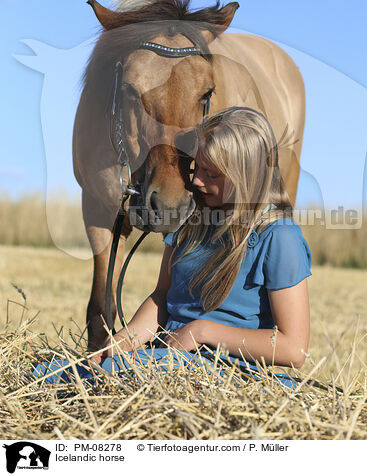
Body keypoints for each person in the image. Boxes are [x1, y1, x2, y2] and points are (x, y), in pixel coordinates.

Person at [34, 106, 311, 386]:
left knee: (76, 380)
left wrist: (202, 331)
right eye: (197, 167)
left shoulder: (278, 237)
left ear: (247, 177)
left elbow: (293, 349)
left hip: (224, 374)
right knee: (50, 372)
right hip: (167, 361)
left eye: (212, 174)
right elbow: (162, 297)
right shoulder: (190, 218)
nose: (197, 181)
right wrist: (122, 342)